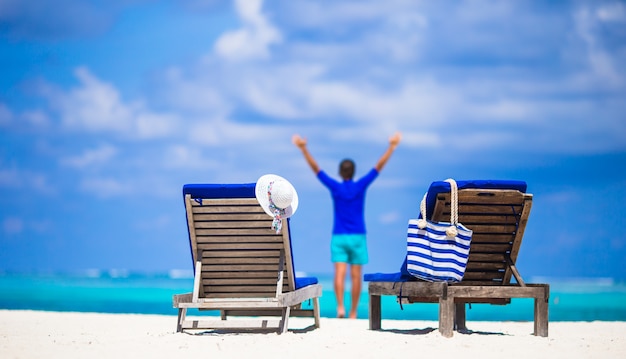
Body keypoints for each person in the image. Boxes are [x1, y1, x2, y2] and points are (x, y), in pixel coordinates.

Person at [292, 132, 402, 318]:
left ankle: (341, 307)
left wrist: (303, 148)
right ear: (353, 172)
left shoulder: (336, 187)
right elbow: (378, 168)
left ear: (340, 173)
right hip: (358, 235)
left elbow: (316, 169)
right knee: (356, 276)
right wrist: (391, 147)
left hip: (339, 235)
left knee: (339, 274)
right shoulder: (360, 186)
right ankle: (352, 312)